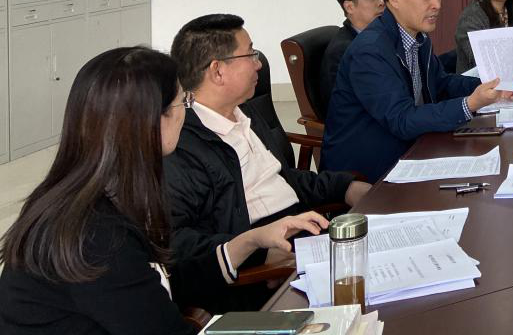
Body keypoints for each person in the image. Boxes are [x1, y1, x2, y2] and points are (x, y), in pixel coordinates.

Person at [0, 47, 322, 334]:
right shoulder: (96, 234)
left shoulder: (97, 196)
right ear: (151, 121)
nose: (187, 111)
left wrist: (250, 241)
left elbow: (159, 280)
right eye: (183, 101)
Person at [165, 15, 369, 312]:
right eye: (250, 54)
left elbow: (284, 179)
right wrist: (260, 254)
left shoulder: (245, 112)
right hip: (265, 269)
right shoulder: (182, 143)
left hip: (305, 237)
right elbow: (179, 244)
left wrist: (347, 187)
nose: (259, 63)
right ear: (217, 71)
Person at [321, 0, 513, 181]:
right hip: (366, 170)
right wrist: (470, 103)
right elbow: (401, 119)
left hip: (411, 147)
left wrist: (492, 84)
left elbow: (441, 83)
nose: (437, 4)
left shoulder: (417, 37)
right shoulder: (370, 50)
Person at [318, 0, 383, 117]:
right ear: (349, 7)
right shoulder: (344, 50)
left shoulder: (378, 37)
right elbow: (343, 107)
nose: (381, 2)